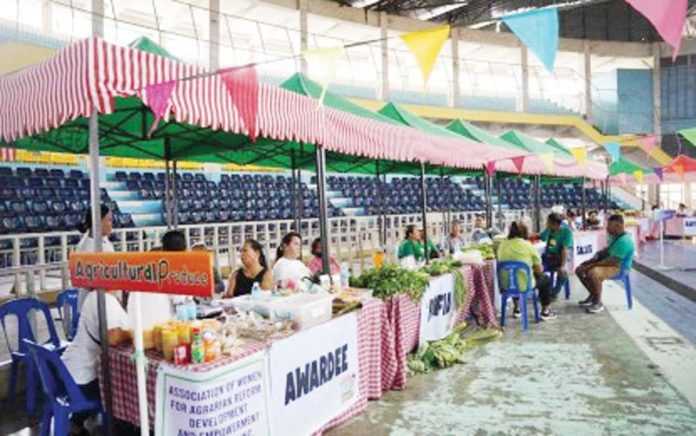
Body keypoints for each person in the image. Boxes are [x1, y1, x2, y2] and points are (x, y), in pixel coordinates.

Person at [61, 289, 131, 432]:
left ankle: (78, 422)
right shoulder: (103, 299)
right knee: (123, 389)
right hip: (82, 378)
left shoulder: (98, 296)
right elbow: (112, 337)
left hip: (70, 371)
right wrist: (132, 332)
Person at [575, 214, 635, 314]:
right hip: (611, 263)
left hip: (619, 267)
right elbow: (608, 251)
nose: (607, 228)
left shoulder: (625, 241)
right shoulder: (615, 237)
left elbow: (613, 261)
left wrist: (593, 265)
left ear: (618, 226)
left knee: (593, 272)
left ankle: (598, 303)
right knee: (580, 269)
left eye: (609, 226)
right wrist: (592, 260)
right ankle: (593, 295)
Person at [497, 221, 556, 320]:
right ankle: (545, 311)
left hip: (505, 284)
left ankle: (517, 308)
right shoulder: (527, 245)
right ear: (525, 233)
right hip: (524, 285)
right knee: (545, 279)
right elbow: (539, 270)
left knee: (513, 277)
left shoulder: (502, 245)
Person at [75, 205, 115, 308]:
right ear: (99, 222)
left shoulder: (103, 240)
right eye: (109, 220)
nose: (111, 225)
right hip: (92, 306)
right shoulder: (86, 248)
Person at [539, 213, 573, 298]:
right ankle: (544, 290)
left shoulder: (566, 232)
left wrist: (562, 266)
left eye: (548, 222)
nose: (547, 224)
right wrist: (548, 229)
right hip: (549, 257)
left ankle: (554, 291)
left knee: (563, 273)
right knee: (536, 268)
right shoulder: (550, 230)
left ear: (555, 224)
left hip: (562, 257)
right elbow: (543, 238)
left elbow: (564, 250)